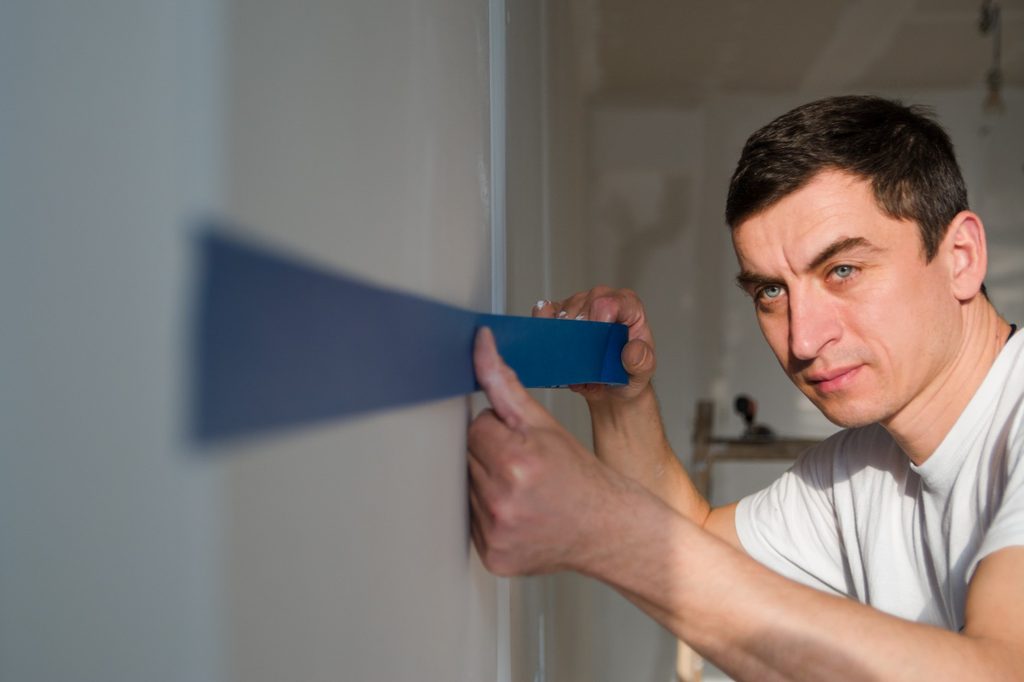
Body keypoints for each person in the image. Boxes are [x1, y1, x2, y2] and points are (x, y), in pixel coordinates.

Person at [466, 95, 1023, 680]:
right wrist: (620, 399)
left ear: (961, 257)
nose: (803, 340)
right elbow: (690, 546)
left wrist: (604, 531)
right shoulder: (860, 470)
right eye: (771, 293)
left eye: (842, 271)